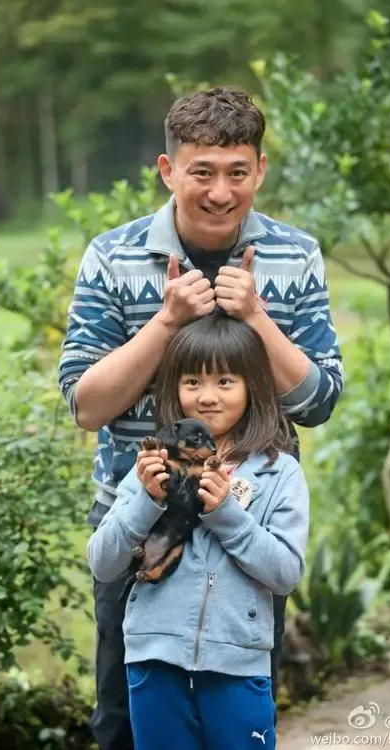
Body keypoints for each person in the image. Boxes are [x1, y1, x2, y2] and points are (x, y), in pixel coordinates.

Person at [58, 86, 343, 750]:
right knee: (126, 720)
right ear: (168, 170)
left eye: (238, 172)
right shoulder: (114, 255)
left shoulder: (295, 255)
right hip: (138, 519)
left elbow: (320, 402)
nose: (220, 192)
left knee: (237, 718)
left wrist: (257, 318)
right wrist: (166, 321)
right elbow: (86, 405)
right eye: (202, 172)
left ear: (260, 170)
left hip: (249, 520)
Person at [87, 313, 310, 750]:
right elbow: (103, 563)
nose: (207, 396)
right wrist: (146, 501)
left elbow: (285, 573)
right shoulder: (151, 467)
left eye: (225, 381)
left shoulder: (278, 473)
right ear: (174, 388)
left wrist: (226, 514)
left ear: (253, 386)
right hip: (154, 662)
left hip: (238, 668)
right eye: (192, 382)